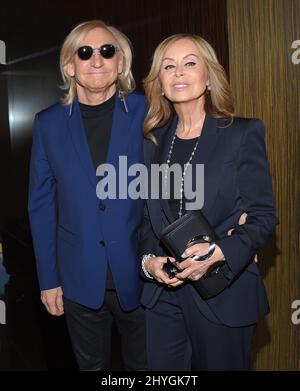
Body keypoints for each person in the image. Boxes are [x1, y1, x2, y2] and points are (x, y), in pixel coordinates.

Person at [139, 33, 278, 371]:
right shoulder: (153, 144)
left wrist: (220, 253)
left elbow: (263, 216)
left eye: (190, 63)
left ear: (209, 76)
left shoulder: (241, 134)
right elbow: (147, 221)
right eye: (168, 67)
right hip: (165, 297)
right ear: (159, 83)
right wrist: (149, 263)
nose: (179, 73)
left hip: (223, 293)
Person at [28, 20, 146, 371]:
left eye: (107, 51)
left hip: (144, 275)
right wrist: (49, 280)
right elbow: (42, 205)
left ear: (121, 63)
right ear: (69, 65)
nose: (97, 60)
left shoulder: (148, 111)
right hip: (78, 280)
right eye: (85, 52)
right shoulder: (47, 123)